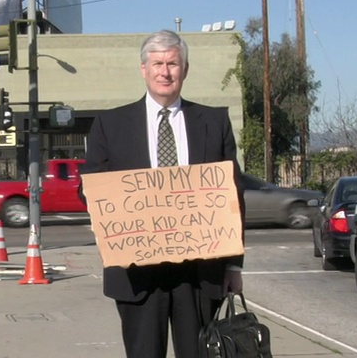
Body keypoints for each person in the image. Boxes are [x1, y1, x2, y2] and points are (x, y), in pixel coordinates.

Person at [80, 30, 245, 358]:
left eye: (172, 63)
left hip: (199, 271)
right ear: (143, 69)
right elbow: (94, 192)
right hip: (137, 271)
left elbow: (233, 197)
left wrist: (233, 267)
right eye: (157, 63)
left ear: (185, 69)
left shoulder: (214, 122)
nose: (164, 72)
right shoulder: (110, 125)